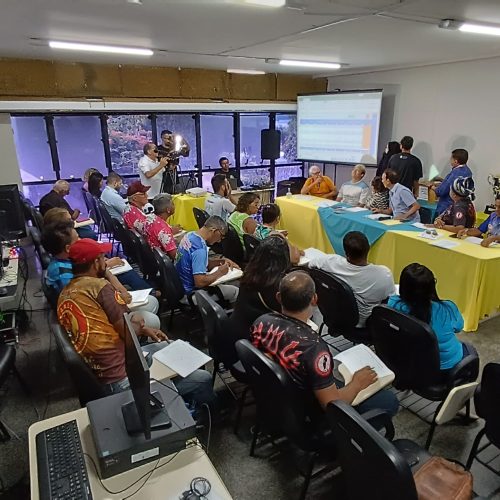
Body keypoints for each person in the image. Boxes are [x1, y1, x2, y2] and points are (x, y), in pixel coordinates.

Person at [57, 238, 215, 415]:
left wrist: (143, 328)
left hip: (106, 371)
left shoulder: (66, 293)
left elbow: (109, 327)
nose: (105, 260)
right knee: (202, 378)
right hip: (123, 377)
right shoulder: (100, 287)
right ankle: (198, 417)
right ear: (96, 263)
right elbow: (128, 332)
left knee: (170, 346)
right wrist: (138, 325)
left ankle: (180, 401)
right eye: (103, 257)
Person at [251, 271, 399, 416]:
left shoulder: (261, 322)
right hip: (308, 412)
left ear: (279, 297)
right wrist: (357, 383)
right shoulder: (314, 350)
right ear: (314, 300)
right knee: (388, 400)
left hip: (279, 397)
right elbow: (331, 405)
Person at [43, 225, 160, 321]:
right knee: (152, 318)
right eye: (77, 238)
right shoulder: (65, 275)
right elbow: (91, 307)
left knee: (150, 301)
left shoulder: (66, 263)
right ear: (68, 248)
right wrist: (120, 299)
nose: (80, 240)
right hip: (96, 319)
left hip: (99, 309)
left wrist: (106, 271)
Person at [388, 263, 470, 373]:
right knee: (470, 349)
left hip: (411, 363)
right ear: (432, 287)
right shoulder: (447, 309)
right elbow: (459, 327)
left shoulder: (393, 304)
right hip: (445, 368)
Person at [223, 235, 291, 365]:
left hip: (238, 337)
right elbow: (291, 315)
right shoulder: (275, 286)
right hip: (256, 346)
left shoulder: (249, 273)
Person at [309, 231, 395, 328]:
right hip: (364, 323)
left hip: (333, 314)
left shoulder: (329, 261)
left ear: (345, 253)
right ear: (369, 249)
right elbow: (390, 297)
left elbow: (311, 265)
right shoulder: (383, 274)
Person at [175, 216, 239, 303]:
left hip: (180, 287)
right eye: (221, 236)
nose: (219, 241)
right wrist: (220, 272)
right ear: (214, 230)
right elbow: (200, 282)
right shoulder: (199, 249)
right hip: (191, 294)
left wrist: (221, 261)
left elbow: (199, 263)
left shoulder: (190, 235)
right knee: (236, 291)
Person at [431, 149, 474, 217]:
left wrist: (431, 187)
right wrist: (443, 181)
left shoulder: (455, 173)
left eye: (451, 158)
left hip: (447, 207)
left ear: (456, 161)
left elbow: (441, 191)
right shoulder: (468, 172)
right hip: (462, 206)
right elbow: (456, 185)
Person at [143, 194, 181, 260]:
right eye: (172, 204)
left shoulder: (149, 218)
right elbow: (176, 257)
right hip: (163, 262)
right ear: (168, 209)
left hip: (151, 257)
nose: (174, 206)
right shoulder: (163, 230)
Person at [157, 130, 190, 195]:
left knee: (177, 194)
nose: (168, 140)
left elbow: (186, 152)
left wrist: (181, 140)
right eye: (166, 138)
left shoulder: (176, 148)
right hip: (163, 177)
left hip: (174, 176)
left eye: (170, 138)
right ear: (162, 138)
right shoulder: (158, 149)